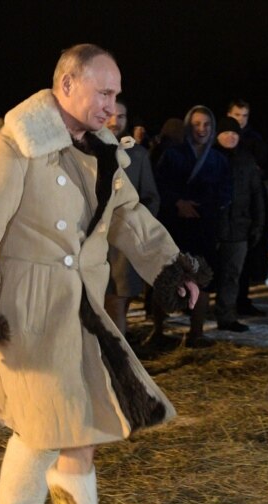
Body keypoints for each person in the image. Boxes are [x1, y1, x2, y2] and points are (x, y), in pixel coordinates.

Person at [0, 44, 207, 504]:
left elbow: (129, 215)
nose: (113, 104)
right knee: (76, 427)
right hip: (28, 311)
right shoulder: (13, 149)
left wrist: (169, 268)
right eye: (103, 92)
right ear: (66, 84)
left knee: (53, 414)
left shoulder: (102, 151)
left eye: (116, 93)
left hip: (82, 305)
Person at [153, 105, 232, 347]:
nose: (202, 129)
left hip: (205, 227)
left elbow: (226, 193)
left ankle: (196, 332)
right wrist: (178, 203)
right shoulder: (172, 155)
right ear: (189, 126)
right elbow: (159, 186)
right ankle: (158, 331)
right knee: (167, 276)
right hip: (175, 225)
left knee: (203, 278)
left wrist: (204, 208)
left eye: (206, 124)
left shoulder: (219, 159)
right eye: (197, 124)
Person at [103, 97, 161, 334]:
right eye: (110, 114)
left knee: (118, 302)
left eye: (121, 116)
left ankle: (118, 353)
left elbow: (151, 197)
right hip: (88, 244)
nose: (114, 121)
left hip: (122, 247)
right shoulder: (81, 150)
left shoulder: (138, 155)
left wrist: (135, 225)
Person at [213, 116, 266, 332]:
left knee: (232, 275)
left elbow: (257, 195)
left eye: (234, 133)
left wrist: (258, 224)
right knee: (204, 273)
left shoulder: (246, 160)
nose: (230, 137)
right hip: (211, 228)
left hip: (239, 227)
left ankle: (226, 316)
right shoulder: (209, 157)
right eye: (225, 133)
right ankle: (194, 313)